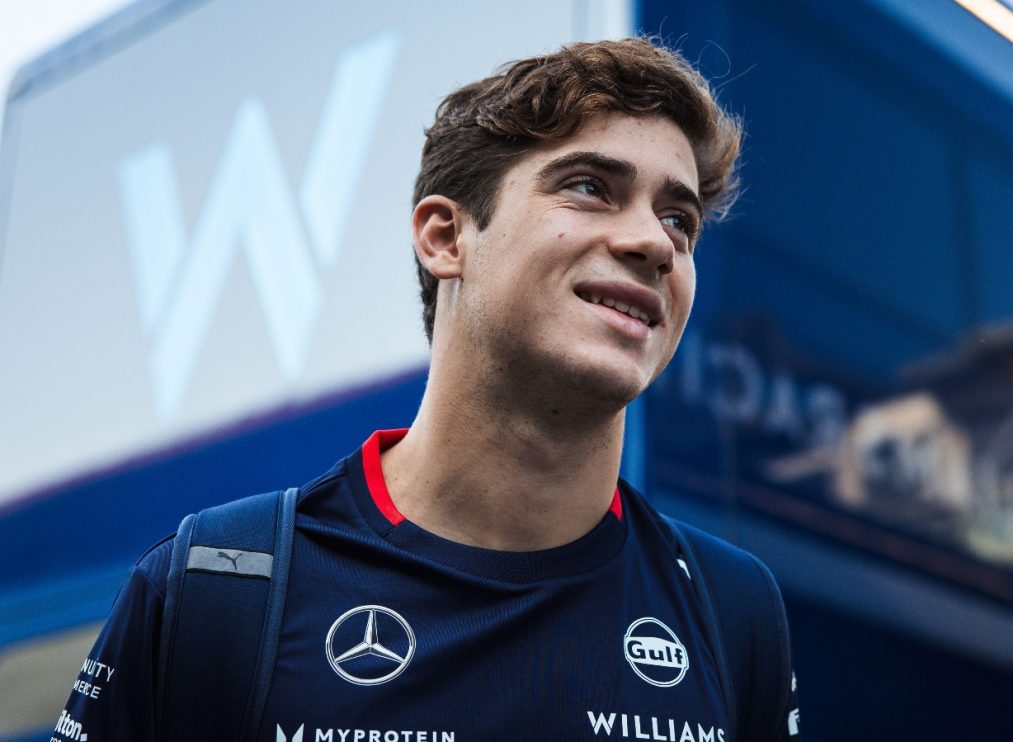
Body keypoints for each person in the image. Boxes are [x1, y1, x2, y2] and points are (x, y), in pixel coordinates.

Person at [54, 36, 799, 741]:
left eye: (680, 219)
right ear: (446, 238)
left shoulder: (733, 612)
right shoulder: (216, 584)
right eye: (589, 187)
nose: (655, 244)